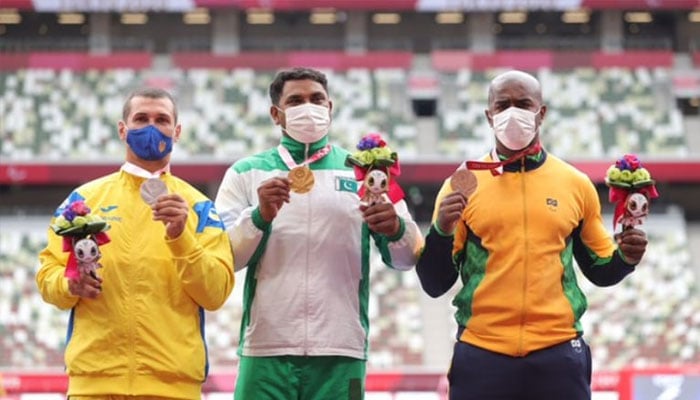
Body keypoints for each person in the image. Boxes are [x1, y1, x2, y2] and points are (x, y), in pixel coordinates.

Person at [416, 70, 648, 400]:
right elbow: (434, 283)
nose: (513, 113)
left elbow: (599, 270)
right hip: (482, 351)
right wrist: (441, 229)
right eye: (503, 105)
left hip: (558, 352)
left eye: (524, 104)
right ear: (488, 115)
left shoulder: (575, 183)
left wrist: (626, 257)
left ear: (542, 113)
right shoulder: (462, 183)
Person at [214, 67, 423, 400]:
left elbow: (409, 256)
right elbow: (223, 258)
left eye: (316, 99)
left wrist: (395, 229)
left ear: (330, 108)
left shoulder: (365, 174)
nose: (308, 107)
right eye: (295, 100)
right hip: (266, 348)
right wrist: (259, 217)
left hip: (342, 349)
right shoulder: (245, 173)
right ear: (276, 114)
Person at [36, 87, 235, 398]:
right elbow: (48, 276)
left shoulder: (200, 208)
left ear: (177, 131)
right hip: (94, 383)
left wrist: (180, 237)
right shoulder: (82, 202)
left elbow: (215, 293)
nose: (152, 127)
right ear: (122, 129)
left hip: (173, 387)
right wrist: (68, 285)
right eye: (141, 119)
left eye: (162, 119)